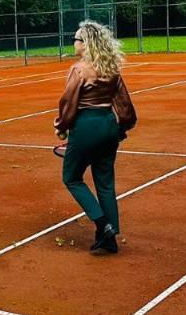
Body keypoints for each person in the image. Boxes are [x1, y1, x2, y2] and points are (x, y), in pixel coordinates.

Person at [54, 20, 137, 254]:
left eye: (77, 39)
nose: (74, 42)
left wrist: (61, 126)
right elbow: (124, 105)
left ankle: (103, 225)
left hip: (86, 126)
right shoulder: (111, 68)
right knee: (105, 183)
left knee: (71, 178)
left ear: (86, 43)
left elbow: (68, 102)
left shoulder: (79, 69)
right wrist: (121, 129)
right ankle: (109, 240)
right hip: (108, 125)